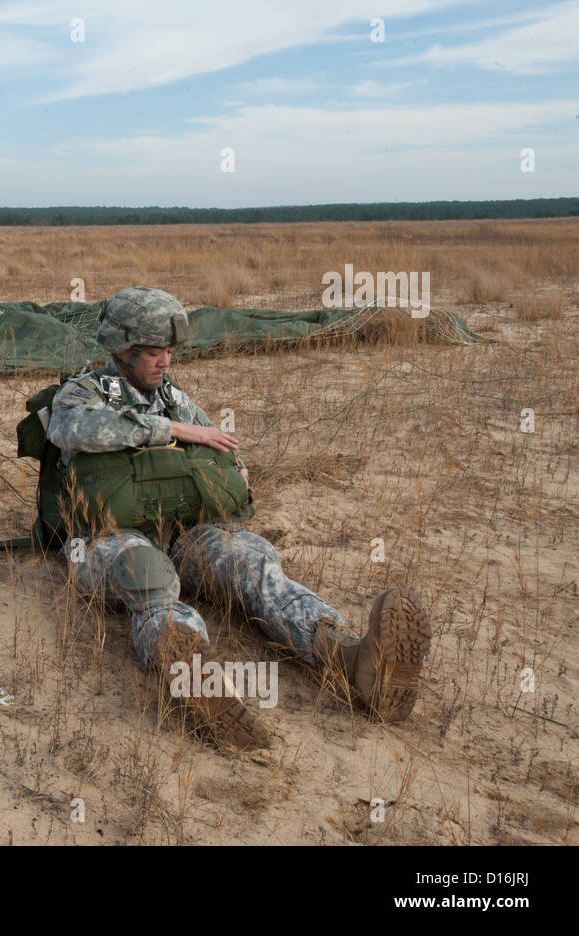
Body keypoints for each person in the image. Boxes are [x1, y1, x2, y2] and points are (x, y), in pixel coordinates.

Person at [45, 286, 431, 748]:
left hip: (185, 531)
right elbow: (75, 430)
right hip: (105, 538)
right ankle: (189, 664)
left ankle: (347, 655)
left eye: (169, 352)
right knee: (147, 577)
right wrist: (168, 430)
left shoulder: (172, 396)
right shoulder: (83, 394)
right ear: (122, 351)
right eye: (153, 353)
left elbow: (217, 447)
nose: (165, 362)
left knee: (249, 560)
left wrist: (237, 473)